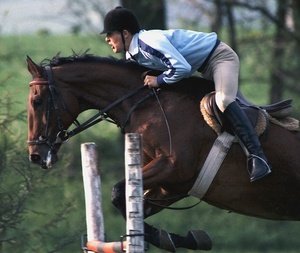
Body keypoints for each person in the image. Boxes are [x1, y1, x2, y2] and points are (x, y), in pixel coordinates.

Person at [101, 6, 271, 182]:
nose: (107, 39)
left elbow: (182, 68)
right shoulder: (132, 55)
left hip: (219, 58)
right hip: (202, 68)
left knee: (223, 100)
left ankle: (258, 157)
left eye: (110, 34)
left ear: (125, 33)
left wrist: (158, 81)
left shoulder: (148, 43)